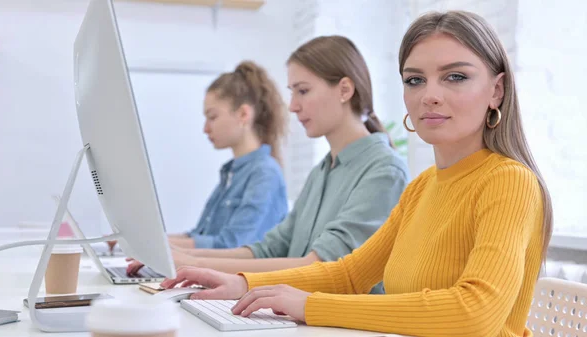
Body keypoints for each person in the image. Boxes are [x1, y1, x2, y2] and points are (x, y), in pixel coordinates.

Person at [160, 11, 553, 337]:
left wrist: (309, 306)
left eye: (455, 76)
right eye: (415, 79)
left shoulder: (508, 181)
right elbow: (351, 273)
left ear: (497, 91)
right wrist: (242, 284)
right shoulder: (421, 188)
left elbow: (475, 312)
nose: (429, 94)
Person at [129, 36, 410, 295]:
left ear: (345, 90)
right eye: (292, 92)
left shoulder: (384, 171)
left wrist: (196, 263)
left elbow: (319, 266)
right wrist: (189, 261)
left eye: (303, 91)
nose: (292, 106)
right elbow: (268, 248)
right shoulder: (322, 171)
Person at [166, 61, 289, 249]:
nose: (206, 128)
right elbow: (200, 235)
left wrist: (159, 245)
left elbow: (232, 245)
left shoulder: (265, 174)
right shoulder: (231, 173)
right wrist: (145, 242)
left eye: (212, 117)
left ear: (243, 114)